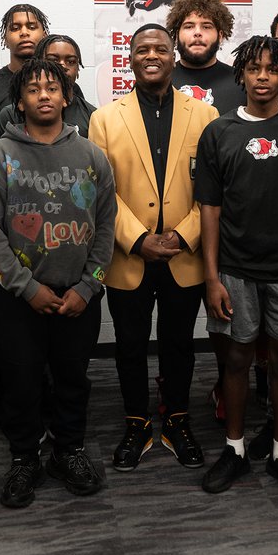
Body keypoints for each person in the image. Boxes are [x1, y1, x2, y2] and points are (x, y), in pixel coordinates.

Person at [0, 57, 116, 508]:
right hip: (19, 299)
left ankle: (68, 451)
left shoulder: (93, 156)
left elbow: (107, 228)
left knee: (73, 378)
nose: (43, 95)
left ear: (67, 97)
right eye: (32, 89)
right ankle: (24, 458)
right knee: (21, 380)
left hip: (78, 296)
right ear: (19, 101)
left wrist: (88, 287)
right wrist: (26, 288)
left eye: (52, 88)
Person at [195, 36, 278, 496]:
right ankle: (233, 450)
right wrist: (211, 277)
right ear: (242, 75)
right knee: (235, 358)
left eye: (273, 69)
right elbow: (209, 209)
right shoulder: (218, 132)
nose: (264, 77)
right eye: (255, 69)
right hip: (234, 268)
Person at [89, 24, 218, 473]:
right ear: (130, 59)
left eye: (159, 49)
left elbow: (213, 190)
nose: (151, 55)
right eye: (141, 49)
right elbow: (102, 192)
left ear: (172, 56)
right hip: (130, 256)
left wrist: (184, 236)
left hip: (186, 254)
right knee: (129, 345)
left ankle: (177, 421)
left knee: (180, 344)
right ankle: (136, 422)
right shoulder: (105, 119)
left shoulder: (204, 115)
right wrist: (138, 239)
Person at [0, 34, 94, 138]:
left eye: (71, 61)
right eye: (53, 60)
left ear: (78, 69)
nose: (63, 66)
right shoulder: (10, 115)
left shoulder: (92, 116)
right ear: (37, 64)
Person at [168, 0, 245, 116]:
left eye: (206, 26)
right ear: (176, 35)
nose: (197, 32)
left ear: (220, 35)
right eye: (189, 26)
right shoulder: (159, 81)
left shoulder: (242, 82)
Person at [0, 4, 49, 122]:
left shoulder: (61, 84)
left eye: (32, 27)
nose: (24, 32)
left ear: (44, 36)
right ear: (5, 39)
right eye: (15, 28)